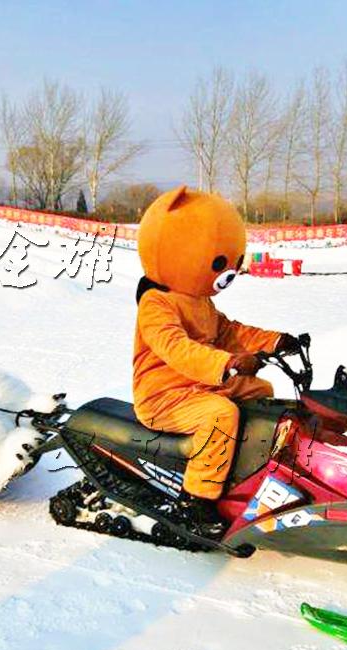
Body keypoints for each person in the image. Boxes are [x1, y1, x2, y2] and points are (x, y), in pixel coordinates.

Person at [132, 186, 299, 534]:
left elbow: (230, 332)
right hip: (164, 396)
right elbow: (175, 348)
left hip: (200, 385)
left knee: (261, 389)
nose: (229, 273)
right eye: (219, 264)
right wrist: (227, 364)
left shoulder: (199, 301)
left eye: (233, 263)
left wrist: (277, 341)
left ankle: (247, 469)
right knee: (221, 415)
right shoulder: (157, 304)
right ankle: (196, 500)